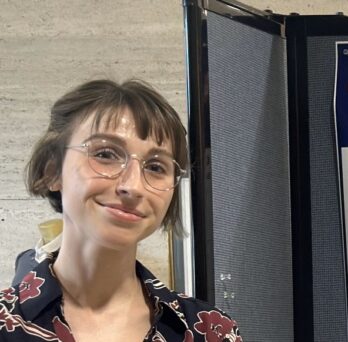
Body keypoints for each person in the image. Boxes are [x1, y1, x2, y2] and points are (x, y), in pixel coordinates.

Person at [0, 79, 242, 341]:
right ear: (52, 171)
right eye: (105, 154)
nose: (133, 186)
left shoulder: (209, 331)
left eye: (156, 167)